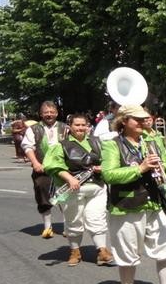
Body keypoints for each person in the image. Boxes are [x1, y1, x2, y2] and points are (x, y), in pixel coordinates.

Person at [101, 104, 166, 284]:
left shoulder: (151, 141)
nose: (142, 123)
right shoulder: (112, 145)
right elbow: (109, 175)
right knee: (128, 254)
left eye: (143, 119)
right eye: (136, 120)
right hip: (126, 207)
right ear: (123, 122)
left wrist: (160, 166)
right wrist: (140, 168)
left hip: (154, 204)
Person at [44, 113, 114, 267]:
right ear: (70, 127)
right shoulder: (61, 145)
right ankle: (75, 251)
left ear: (88, 127)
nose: (81, 128)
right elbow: (53, 165)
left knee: (97, 218)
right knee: (74, 220)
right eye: (77, 125)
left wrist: (103, 167)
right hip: (73, 189)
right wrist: (69, 178)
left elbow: (110, 160)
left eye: (83, 125)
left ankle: (102, 251)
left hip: (97, 187)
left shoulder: (98, 143)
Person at [22, 101, 68, 238]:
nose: (49, 115)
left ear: (56, 113)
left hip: (62, 168)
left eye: (51, 112)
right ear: (41, 114)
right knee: (42, 195)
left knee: (65, 196)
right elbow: (27, 147)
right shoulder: (33, 129)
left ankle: (67, 226)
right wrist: (35, 163)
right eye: (46, 112)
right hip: (42, 168)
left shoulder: (65, 127)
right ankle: (48, 227)